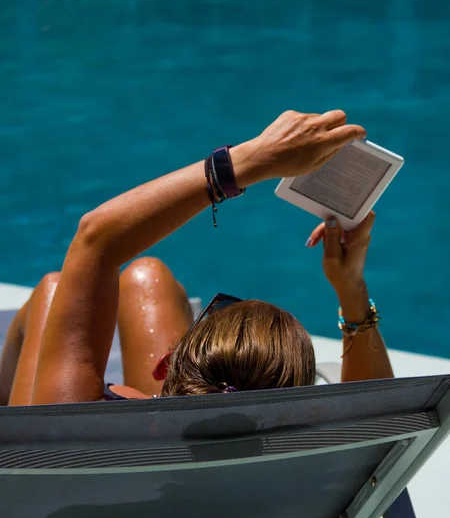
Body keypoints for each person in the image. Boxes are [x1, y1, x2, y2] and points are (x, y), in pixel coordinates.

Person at [0, 109, 393, 406]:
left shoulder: (77, 436)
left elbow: (95, 239)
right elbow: (377, 412)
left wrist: (250, 160)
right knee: (146, 275)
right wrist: (350, 287)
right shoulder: (315, 458)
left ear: (166, 366)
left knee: (53, 292)